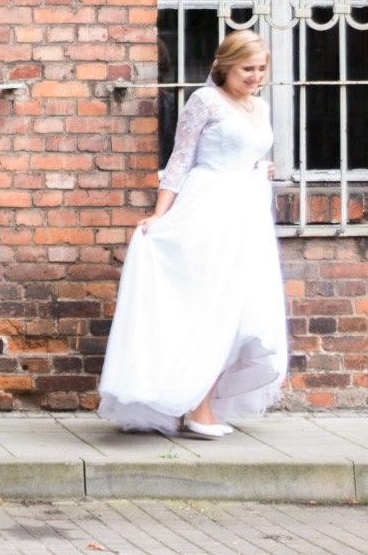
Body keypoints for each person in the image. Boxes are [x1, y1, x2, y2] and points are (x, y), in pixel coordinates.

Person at [98, 29, 288, 438]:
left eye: (261, 69)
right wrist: (158, 215)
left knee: (240, 310)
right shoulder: (203, 101)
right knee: (208, 306)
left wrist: (259, 167)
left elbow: (248, 152)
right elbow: (180, 160)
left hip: (247, 218)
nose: (255, 77)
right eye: (247, 69)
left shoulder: (260, 106)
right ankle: (195, 410)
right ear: (226, 66)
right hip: (207, 210)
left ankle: (200, 406)